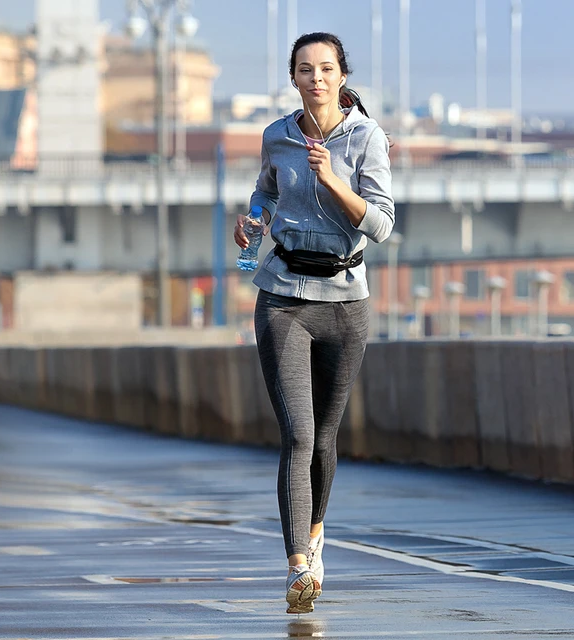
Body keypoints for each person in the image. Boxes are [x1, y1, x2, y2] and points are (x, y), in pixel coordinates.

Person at [233, 32, 394, 614]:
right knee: (298, 434)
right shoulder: (277, 135)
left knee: (325, 435)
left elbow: (380, 225)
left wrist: (333, 181)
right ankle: (298, 562)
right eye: (306, 69)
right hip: (282, 298)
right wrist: (252, 220)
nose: (317, 78)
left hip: (347, 303)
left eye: (326, 68)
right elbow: (264, 193)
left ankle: (317, 532)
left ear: (342, 75)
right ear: (294, 78)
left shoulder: (367, 138)